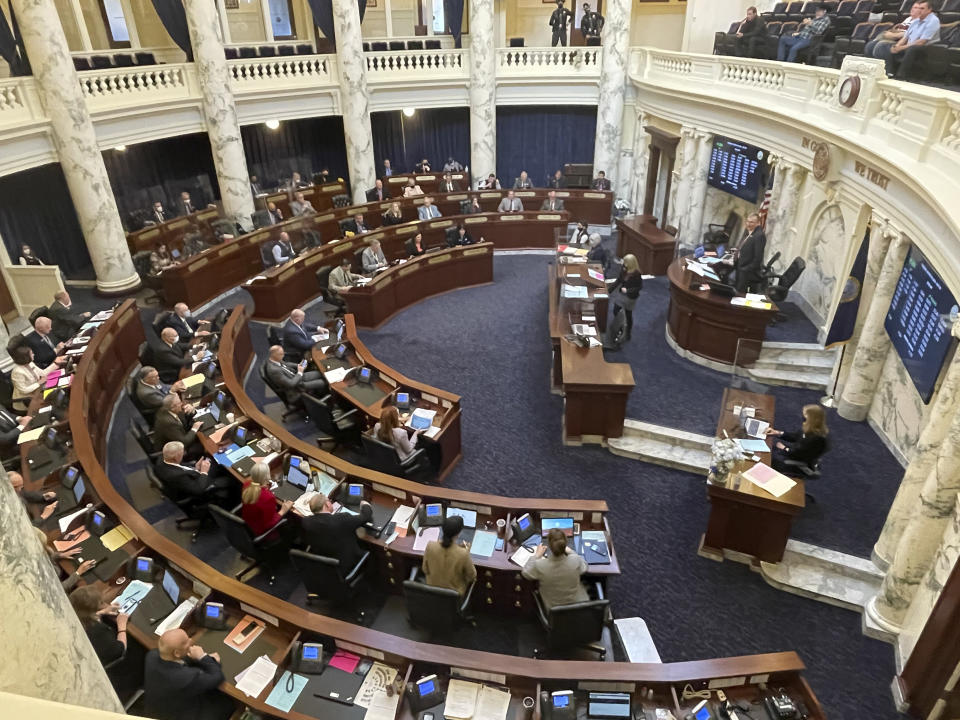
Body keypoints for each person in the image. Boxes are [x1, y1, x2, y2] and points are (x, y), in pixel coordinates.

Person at [143, 628, 234, 720]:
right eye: (185, 642)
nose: (190, 641)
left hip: (159, 708)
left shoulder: (151, 656)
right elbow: (217, 677)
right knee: (227, 702)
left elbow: (181, 659)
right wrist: (204, 658)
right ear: (177, 653)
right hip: (180, 715)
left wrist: (199, 658)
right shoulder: (186, 678)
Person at [69, 585, 135, 697]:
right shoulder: (97, 631)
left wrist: (103, 612)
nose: (105, 604)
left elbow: (87, 616)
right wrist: (122, 625)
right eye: (101, 603)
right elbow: (120, 649)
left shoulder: (73, 617)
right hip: (108, 671)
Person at [300, 493, 373, 571]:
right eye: (329, 501)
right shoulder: (342, 519)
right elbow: (366, 516)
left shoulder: (306, 521)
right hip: (345, 566)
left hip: (323, 565)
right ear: (327, 504)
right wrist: (365, 504)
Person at [521, 527, 589, 609]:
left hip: (554, 610)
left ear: (549, 545)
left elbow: (526, 573)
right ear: (565, 543)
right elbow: (584, 568)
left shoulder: (540, 565)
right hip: (577, 607)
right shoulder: (575, 559)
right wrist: (571, 552)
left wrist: (537, 556)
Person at [155, 441, 235, 508]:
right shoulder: (177, 476)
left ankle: (228, 456)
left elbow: (181, 467)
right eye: (183, 453)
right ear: (176, 458)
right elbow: (199, 490)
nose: (184, 454)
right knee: (231, 479)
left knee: (213, 460)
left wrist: (195, 468)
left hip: (193, 475)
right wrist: (204, 472)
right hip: (200, 486)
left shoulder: (162, 459)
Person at [876, 0, 940, 79]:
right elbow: (905, 37)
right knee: (882, 46)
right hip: (909, 45)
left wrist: (902, 47)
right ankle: (888, 72)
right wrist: (897, 46)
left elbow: (922, 42)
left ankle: (901, 76)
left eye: (922, 8)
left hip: (925, 49)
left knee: (912, 48)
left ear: (929, 10)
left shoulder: (933, 21)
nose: (919, 10)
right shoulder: (915, 21)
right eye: (918, 8)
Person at [767, 404, 830, 474]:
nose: (802, 417)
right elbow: (795, 436)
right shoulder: (810, 427)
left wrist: (784, 448)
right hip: (796, 451)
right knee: (770, 450)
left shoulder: (816, 438)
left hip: (799, 460)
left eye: (805, 415)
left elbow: (798, 453)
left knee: (769, 458)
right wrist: (777, 433)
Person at [422, 515, 476, 596]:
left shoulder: (430, 546)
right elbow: (472, 576)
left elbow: (425, 569)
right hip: (453, 597)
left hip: (432, 593)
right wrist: (464, 552)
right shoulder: (463, 554)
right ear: (458, 533)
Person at [241, 462, 293, 537]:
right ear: (267, 477)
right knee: (292, 519)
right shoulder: (268, 498)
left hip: (248, 525)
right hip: (263, 532)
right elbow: (269, 524)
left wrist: (265, 488)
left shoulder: (247, 484)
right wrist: (283, 511)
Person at [10, 345, 62, 412]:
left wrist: (57, 364)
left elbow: (43, 373)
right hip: (26, 400)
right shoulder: (17, 372)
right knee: (52, 402)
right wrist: (39, 383)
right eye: (31, 353)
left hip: (37, 392)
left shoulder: (30, 363)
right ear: (25, 357)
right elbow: (24, 390)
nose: (34, 354)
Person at [153, 393, 203, 459]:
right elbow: (184, 442)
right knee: (202, 446)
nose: (182, 404)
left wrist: (191, 410)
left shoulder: (167, 409)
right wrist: (194, 428)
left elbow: (183, 420)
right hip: (173, 451)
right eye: (179, 403)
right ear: (173, 407)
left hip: (179, 435)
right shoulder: (169, 423)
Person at [610, 254, 643, 341]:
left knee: (628, 314)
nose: (623, 263)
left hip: (630, 297)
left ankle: (628, 333)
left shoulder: (637, 274)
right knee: (616, 310)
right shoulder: (624, 269)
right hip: (622, 295)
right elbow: (619, 280)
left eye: (625, 262)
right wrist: (609, 290)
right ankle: (619, 326)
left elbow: (639, 288)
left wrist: (628, 290)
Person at [732, 212, 767, 294]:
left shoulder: (759, 235)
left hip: (746, 272)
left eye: (751, 222)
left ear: (758, 223)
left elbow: (758, 258)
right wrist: (737, 251)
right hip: (740, 266)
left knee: (739, 294)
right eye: (747, 221)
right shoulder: (749, 231)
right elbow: (745, 246)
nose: (748, 224)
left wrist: (746, 269)